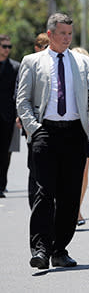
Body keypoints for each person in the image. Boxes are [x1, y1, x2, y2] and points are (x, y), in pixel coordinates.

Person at [16, 13, 89, 270]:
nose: (67, 38)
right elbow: (22, 100)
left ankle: (59, 249)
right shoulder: (32, 61)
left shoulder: (80, 61)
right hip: (45, 133)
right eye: (63, 33)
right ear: (51, 34)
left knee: (69, 196)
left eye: (70, 34)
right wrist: (35, 129)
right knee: (45, 193)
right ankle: (41, 249)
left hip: (75, 134)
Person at [16, 33, 50, 208]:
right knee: (35, 168)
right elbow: (21, 94)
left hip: (53, 127)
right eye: (44, 47)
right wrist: (26, 120)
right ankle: (35, 204)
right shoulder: (29, 63)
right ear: (37, 48)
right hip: (33, 127)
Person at [71, 46, 89, 226]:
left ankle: (76, 208)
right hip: (66, 129)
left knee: (83, 171)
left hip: (86, 131)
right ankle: (67, 208)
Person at [0, 34, 20, 198]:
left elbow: (19, 93)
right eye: (4, 46)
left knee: (6, 152)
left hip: (8, 116)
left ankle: (1, 184)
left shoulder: (15, 67)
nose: (7, 50)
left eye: (9, 47)